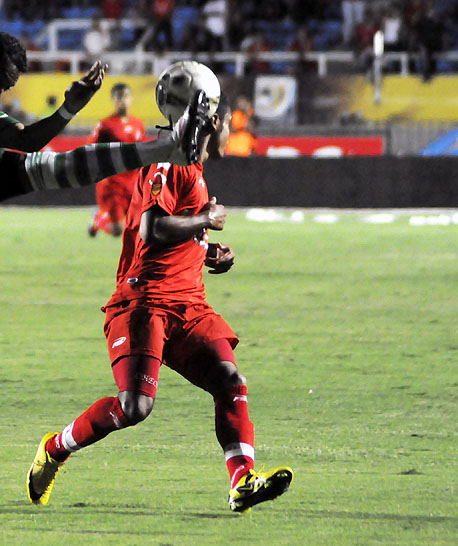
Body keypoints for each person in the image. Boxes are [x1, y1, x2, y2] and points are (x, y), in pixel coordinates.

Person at [0, 30, 210, 522]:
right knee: (43, 170)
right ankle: (165, 148)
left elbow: (25, 137)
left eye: (7, 85)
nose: (1, 92)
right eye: (0, 80)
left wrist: (68, 108)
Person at [27, 92, 294, 513]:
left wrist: (206, 250)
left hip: (189, 306)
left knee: (229, 380)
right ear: (212, 124)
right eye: (228, 124)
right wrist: (206, 219)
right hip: (145, 303)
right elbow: (152, 228)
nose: (231, 132)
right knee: (135, 407)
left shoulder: (193, 167)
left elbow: (171, 233)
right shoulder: (169, 162)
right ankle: (55, 447)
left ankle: (242, 481)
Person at [87, 82, 146, 237]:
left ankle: (101, 216)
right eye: (119, 97)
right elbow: (91, 149)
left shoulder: (138, 124)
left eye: (126, 97)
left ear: (131, 99)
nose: (122, 101)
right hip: (112, 184)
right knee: (117, 230)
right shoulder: (105, 125)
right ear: (113, 100)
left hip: (132, 182)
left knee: (139, 227)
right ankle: (99, 218)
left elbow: (141, 153)